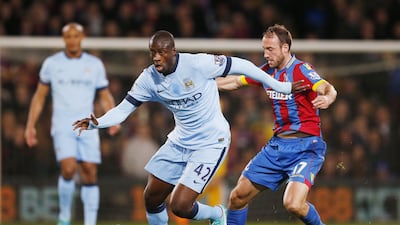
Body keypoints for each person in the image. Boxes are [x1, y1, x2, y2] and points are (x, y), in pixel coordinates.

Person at [72, 30, 306, 225]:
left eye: (162, 52)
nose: (156, 58)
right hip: (180, 140)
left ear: (173, 51)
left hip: (211, 142)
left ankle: (217, 214)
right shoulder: (148, 79)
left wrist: (281, 86)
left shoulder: (197, 64)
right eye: (153, 52)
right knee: (152, 198)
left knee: (180, 206)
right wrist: (98, 123)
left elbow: (242, 65)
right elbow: (124, 109)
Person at [217, 24, 337, 225]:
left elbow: (327, 87)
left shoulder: (301, 70)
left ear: (285, 48)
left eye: (270, 49)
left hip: (306, 147)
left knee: (293, 204)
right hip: (276, 147)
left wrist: (328, 97)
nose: (265, 54)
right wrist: (201, 84)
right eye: (264, 49)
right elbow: (236, 82)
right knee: (237, 197)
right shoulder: (266, 72)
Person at [24, 22, 120, 225]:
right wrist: (30, 125)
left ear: (82, 37)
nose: (72, 40)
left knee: (90, 170)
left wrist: (112, 118)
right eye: (69, 36)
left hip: (88, 124)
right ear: (64, 39)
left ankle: (90, 222)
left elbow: (105, 95)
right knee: (68, 169)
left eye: (76, 36)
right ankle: (65, 217)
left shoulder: (94, 64)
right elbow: (40, 96)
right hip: (62, 124)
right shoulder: (52, 63)